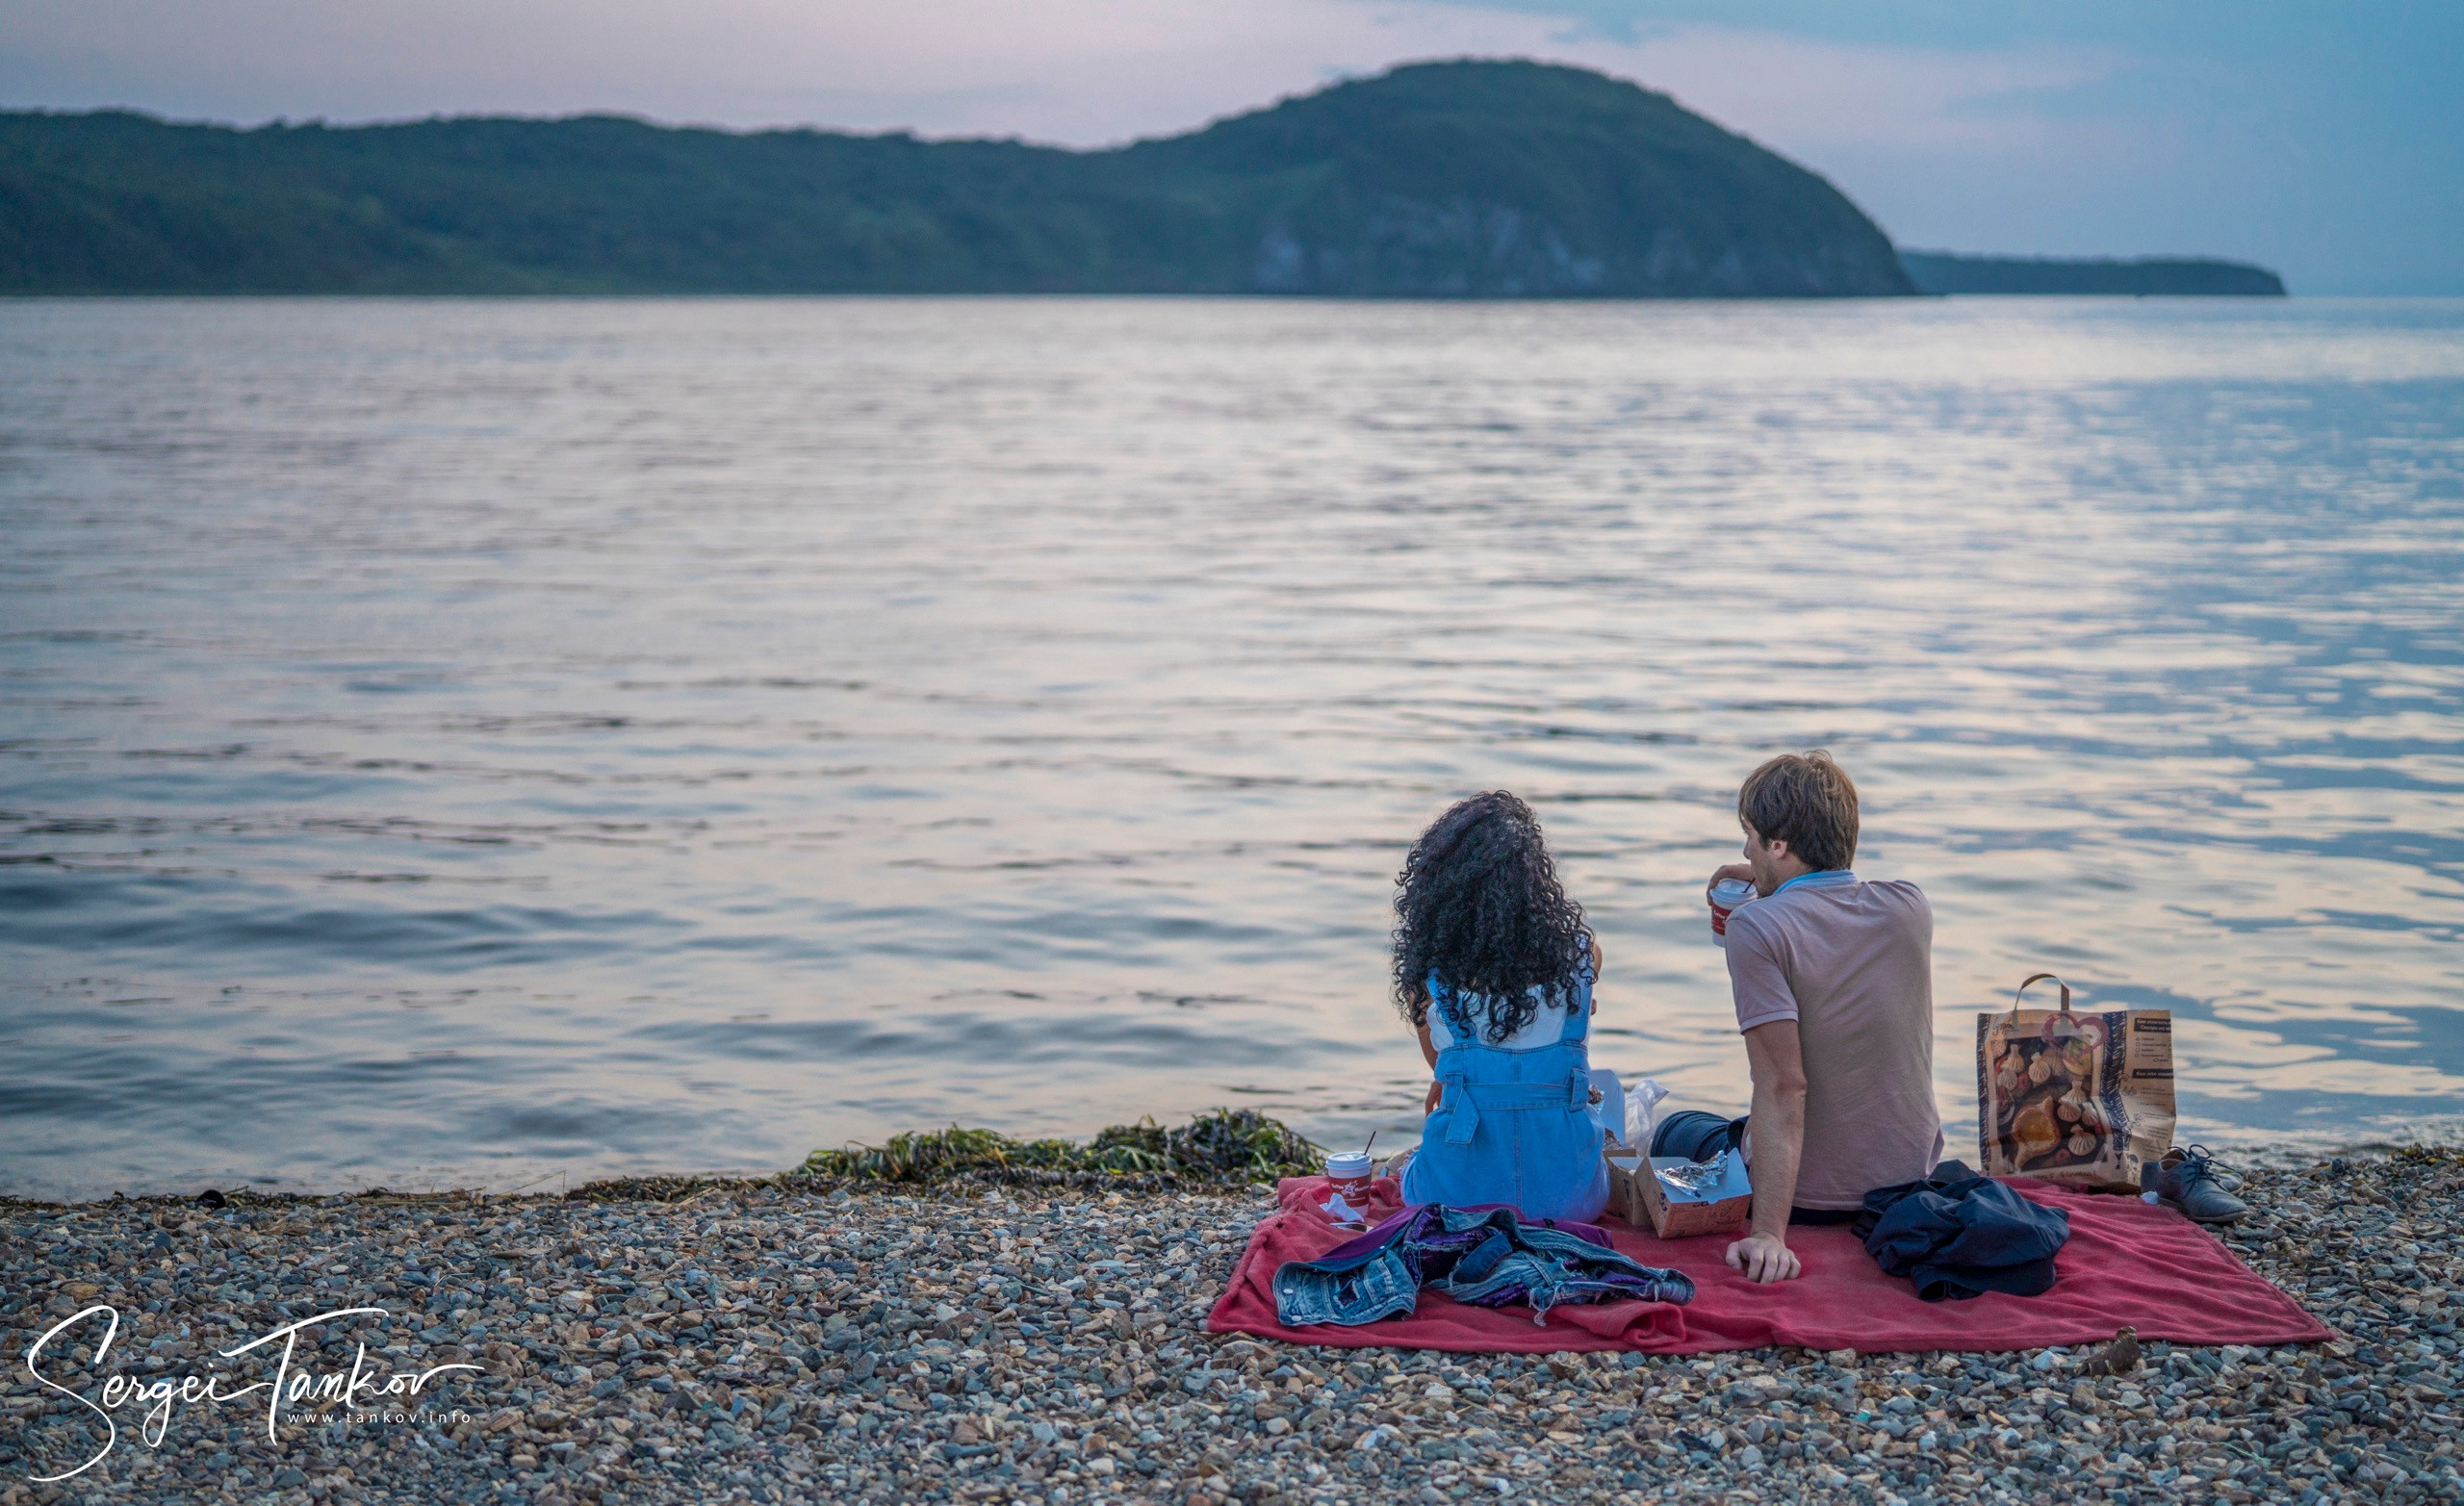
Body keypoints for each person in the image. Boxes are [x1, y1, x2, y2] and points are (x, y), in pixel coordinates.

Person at [1652, 752, 1942, 1284]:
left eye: (1752, 836)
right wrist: (1772, 882)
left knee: (1676, 1129)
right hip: (1908, 1184)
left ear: (1779, 844)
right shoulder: (1909, 908)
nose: (1745, 848)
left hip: (1811, 1200)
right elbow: (1836, 898)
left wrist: (1768, 1233)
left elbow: (1785, 1085)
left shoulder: (1756, 928)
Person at [1392, 791, 1613, 1223]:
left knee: (1409, 1167)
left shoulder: (1430, 983)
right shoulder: (1585, 958)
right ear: (1537, 882)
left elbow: (1442, 1071)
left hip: (1454, 1200)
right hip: (1573, 1201)